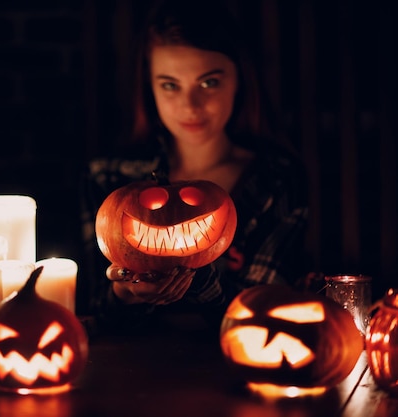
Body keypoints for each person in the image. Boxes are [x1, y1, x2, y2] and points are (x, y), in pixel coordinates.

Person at [79, 0, 309, 332]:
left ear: (239, 81)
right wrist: (124, 293)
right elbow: (91, 310)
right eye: (170, 85)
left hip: (234, 367)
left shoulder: (276, 179)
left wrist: (200, 284)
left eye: (209, 83)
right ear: (150, 87)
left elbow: (259, 315)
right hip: (130, 365)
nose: (190, 105)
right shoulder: (107, 176)